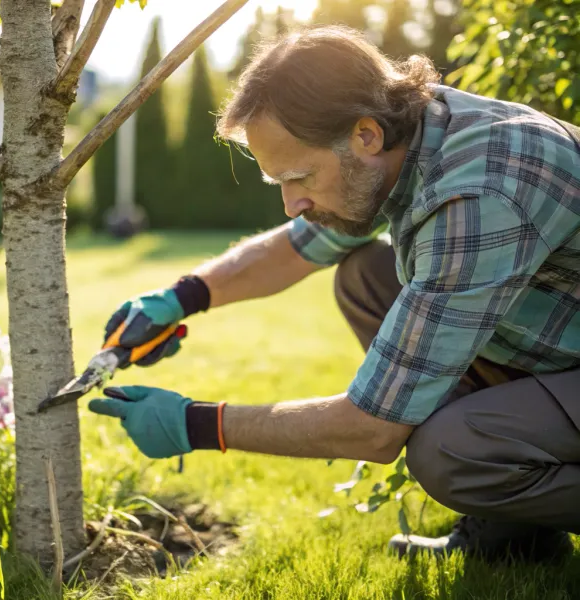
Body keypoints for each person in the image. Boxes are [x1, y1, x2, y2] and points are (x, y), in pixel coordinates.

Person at [88, 25, 580, 562]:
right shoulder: (411, 131)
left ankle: (508, 500)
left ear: (365, 135)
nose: (290, 205)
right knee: (366, 276)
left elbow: (373, 429)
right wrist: (181, 297)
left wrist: (199, 424)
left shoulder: (478, 195)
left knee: (451, 451)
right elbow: (297, 247)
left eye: (298, 177)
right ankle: (517, 529)